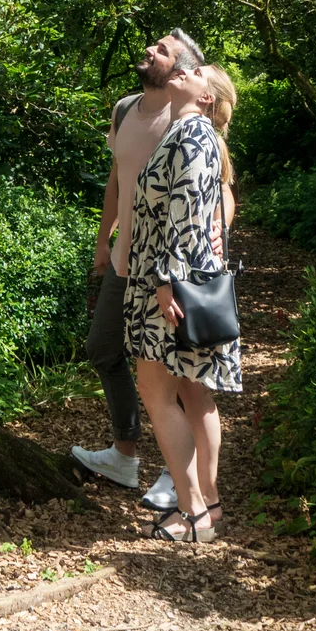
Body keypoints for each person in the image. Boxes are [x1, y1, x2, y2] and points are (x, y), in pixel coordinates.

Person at [70, 28, 205, 491]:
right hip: (127, 260)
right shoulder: (125, 109)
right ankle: (125, 456)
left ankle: (176, 474)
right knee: (103, 349)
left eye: (162, 49)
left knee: (173, 372)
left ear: (182, 69)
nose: (150, 50)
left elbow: (216, 187)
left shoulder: (187, 117)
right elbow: (116, 178)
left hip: (167, 270)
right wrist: (103, 240)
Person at [123, 60, 243, 542]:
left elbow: (187, 214)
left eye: (195, 70)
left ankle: (192, 512)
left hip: (170, 284)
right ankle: (209, 508)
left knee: (156, 392)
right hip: (179, 280)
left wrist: (165, 281)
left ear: (207, 96)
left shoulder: (192, 135)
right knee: (194, 392)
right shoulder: (192, 133)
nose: (183, 69)